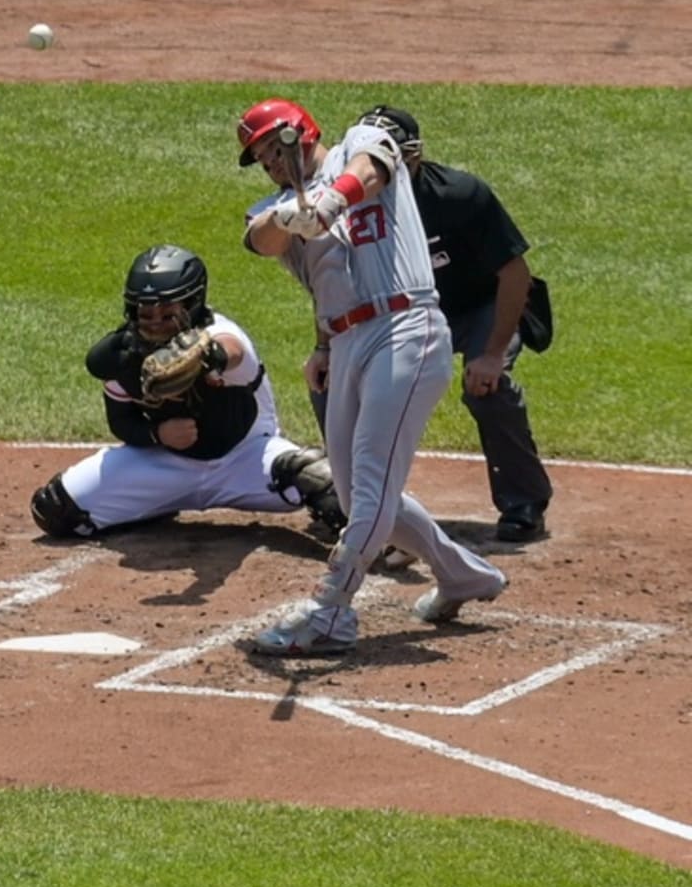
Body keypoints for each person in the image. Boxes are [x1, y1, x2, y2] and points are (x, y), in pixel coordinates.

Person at [234, 98, 506, 656]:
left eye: (273, 149)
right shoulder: (278, 204)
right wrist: (289, 217)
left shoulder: (361, 140)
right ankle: (463, 575)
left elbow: (374, 168)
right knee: (360, 488)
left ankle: (331, 609)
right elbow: (261, 239)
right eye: (262, 159)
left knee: (372, 478)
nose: (272, 163)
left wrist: (331, 201)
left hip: (406, 325)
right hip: (349, 341)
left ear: (302, 132)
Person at [29, 243, 346, 541]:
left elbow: (232, 350)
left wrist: (206, 355)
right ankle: (157, 506)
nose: (155, 323)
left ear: (192, 305)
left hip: (247, 459)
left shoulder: (220, 333)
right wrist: (158, 434)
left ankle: (378, 536)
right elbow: (120, 421)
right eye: (146, 313)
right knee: (56, 509)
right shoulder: (124, 356)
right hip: (166, 465)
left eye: (168, 314)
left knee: (317, 478)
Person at [345, 105, 552, 543]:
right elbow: (334, 283)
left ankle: (524, 501)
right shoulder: (352, 205)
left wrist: (493, 354)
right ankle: (353, 503)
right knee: (341, 384)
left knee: (486, 389)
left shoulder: (461, 197)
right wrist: (327, 349)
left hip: (481, 308)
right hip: (407, 312)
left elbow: (515, 275)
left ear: (413, 157)